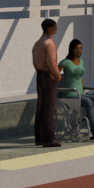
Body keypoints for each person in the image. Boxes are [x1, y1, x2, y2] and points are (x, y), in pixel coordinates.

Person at [60, 39, 94, 138]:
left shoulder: (81, 61)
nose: (79, 50)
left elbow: (80, 77)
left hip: (80, 93)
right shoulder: (65, 62)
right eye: (76, 48)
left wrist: (83, 90)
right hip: (70, 95)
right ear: (71, 49)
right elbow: (55, 74)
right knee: (89, 102)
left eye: (80, 48)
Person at [31, 19, 61, 147]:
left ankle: (40, 138)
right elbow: (51, 62)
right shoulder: (49, 43)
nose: (56, 28)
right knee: (49, 108)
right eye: (54, 26)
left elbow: (35, 61)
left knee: (41, 107)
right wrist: (57, 75)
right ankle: (49, 139)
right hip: (48, 77)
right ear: (49, 29)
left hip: (39, 75)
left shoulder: (38, 43)